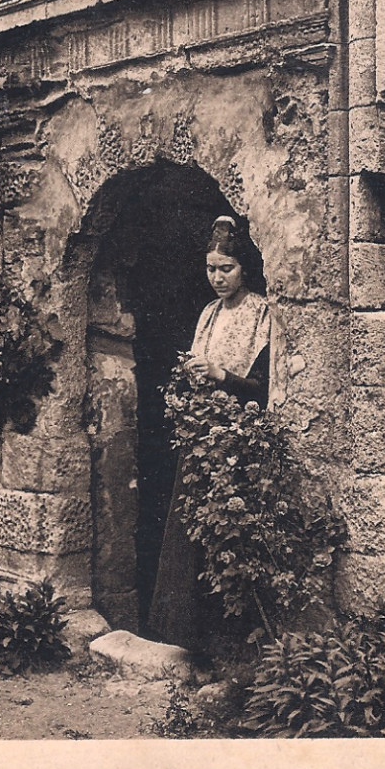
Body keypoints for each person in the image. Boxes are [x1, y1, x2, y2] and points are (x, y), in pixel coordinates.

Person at [147, 215, 271, 649]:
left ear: (244, 268)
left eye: (227, 268)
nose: (217, 278)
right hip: (202, 437)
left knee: (227, 537)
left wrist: (221, 374)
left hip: (237, 441)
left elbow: (263, 387)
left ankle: (228, 648)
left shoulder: (261, 313)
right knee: (189, 535)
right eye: (211, 269)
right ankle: (185, 640)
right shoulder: (209, 313)